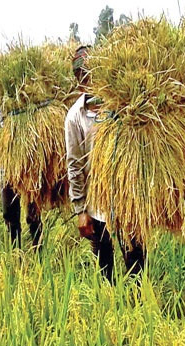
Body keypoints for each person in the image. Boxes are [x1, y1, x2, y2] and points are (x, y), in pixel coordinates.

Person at [65, 45, 145, 283]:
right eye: (84, 76)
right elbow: (74, 165)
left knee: (137, 267)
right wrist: (80, 211)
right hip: (97, 206)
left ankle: (139, 314)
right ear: (79, 81)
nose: (90, 80)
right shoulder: (75, 116)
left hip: (128, 202)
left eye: (93, 73)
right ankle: (110, 313)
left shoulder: (122, 104)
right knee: (104, 272)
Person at [0, 106, 43, 249]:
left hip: (28, 163)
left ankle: (38, 249)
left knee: (33, 211)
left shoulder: (28, 104)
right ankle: (15, 251)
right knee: (9, 211)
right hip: (6, 164)